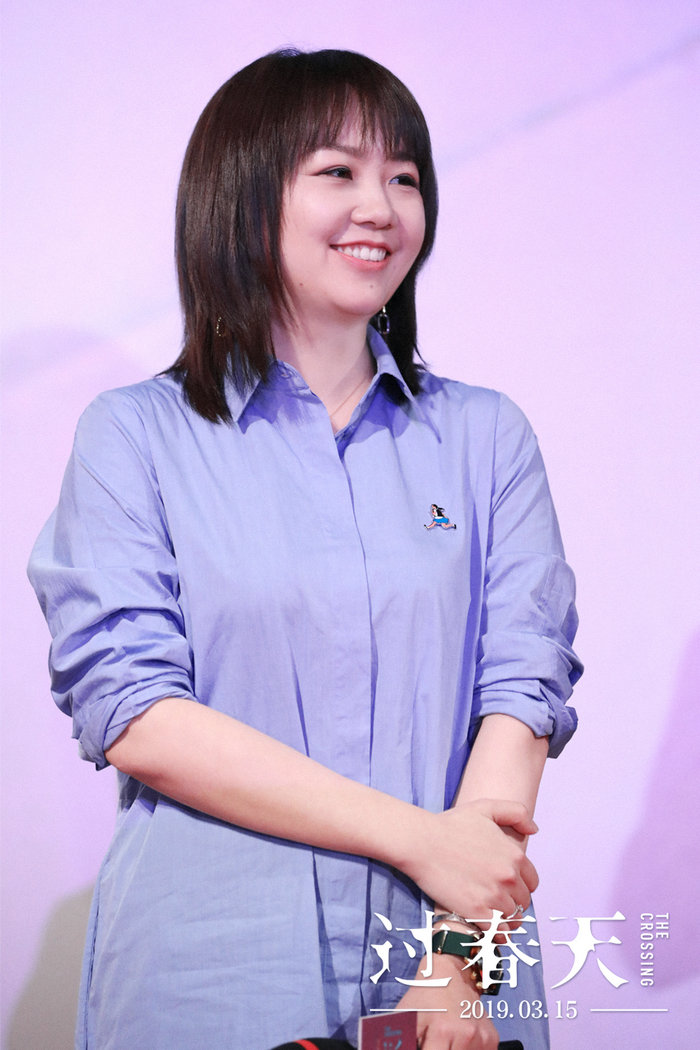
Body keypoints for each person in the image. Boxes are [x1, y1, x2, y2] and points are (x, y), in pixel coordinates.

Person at [28, 48, 581, 1050]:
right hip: (213, 978)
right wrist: (424, 842)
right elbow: (137, 712)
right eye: (338, 171)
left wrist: (460, 958)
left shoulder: (485, 437)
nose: (381, 206)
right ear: (243, 198)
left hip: (452, 977)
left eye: (404, 177)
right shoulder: (134, 436)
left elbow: (521, 692)